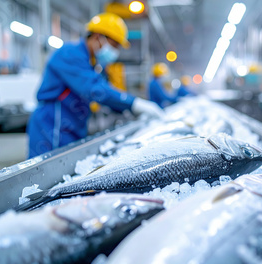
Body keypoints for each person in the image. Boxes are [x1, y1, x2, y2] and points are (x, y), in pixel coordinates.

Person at [27, 13, 162, 158]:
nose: (115, 51)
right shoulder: (70, 54)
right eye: (114, 45)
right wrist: (134, 103)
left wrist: (126, 109)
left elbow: (104, 89)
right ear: (98, 37)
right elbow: (95, 89)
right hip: (52, 125)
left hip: (73, 126)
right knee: (46, 173)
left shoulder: (92, 62)